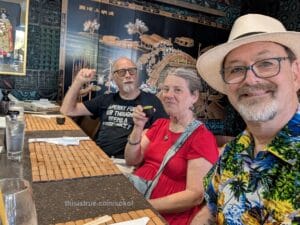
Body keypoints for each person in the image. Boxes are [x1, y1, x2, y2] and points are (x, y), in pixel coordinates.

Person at [190, 14, 300, 225]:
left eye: (267, 63)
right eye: (236, 69)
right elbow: (211, 210)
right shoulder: (234, 150)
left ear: (295, 73)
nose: (250, 79)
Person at [125, 68, 219, 225]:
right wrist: (138, 127)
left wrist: (144, 206)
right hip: (136, 195)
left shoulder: (202, 137)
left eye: (178, 90)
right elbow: (131, 160)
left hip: (163, 214)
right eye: (166, 89)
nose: (168, 95)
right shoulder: (159, 124)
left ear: (194, 96)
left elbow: (195, 196)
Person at [60, 57, 167, 158]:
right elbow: (67, 110)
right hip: (98, 157)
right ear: (114, 77)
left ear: (137, 74)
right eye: (122, 72)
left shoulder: (152, 101)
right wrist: (78, 81)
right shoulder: (105, 99)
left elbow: (164, 136)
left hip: (128, 163)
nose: (128, 75)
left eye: (132, 71)